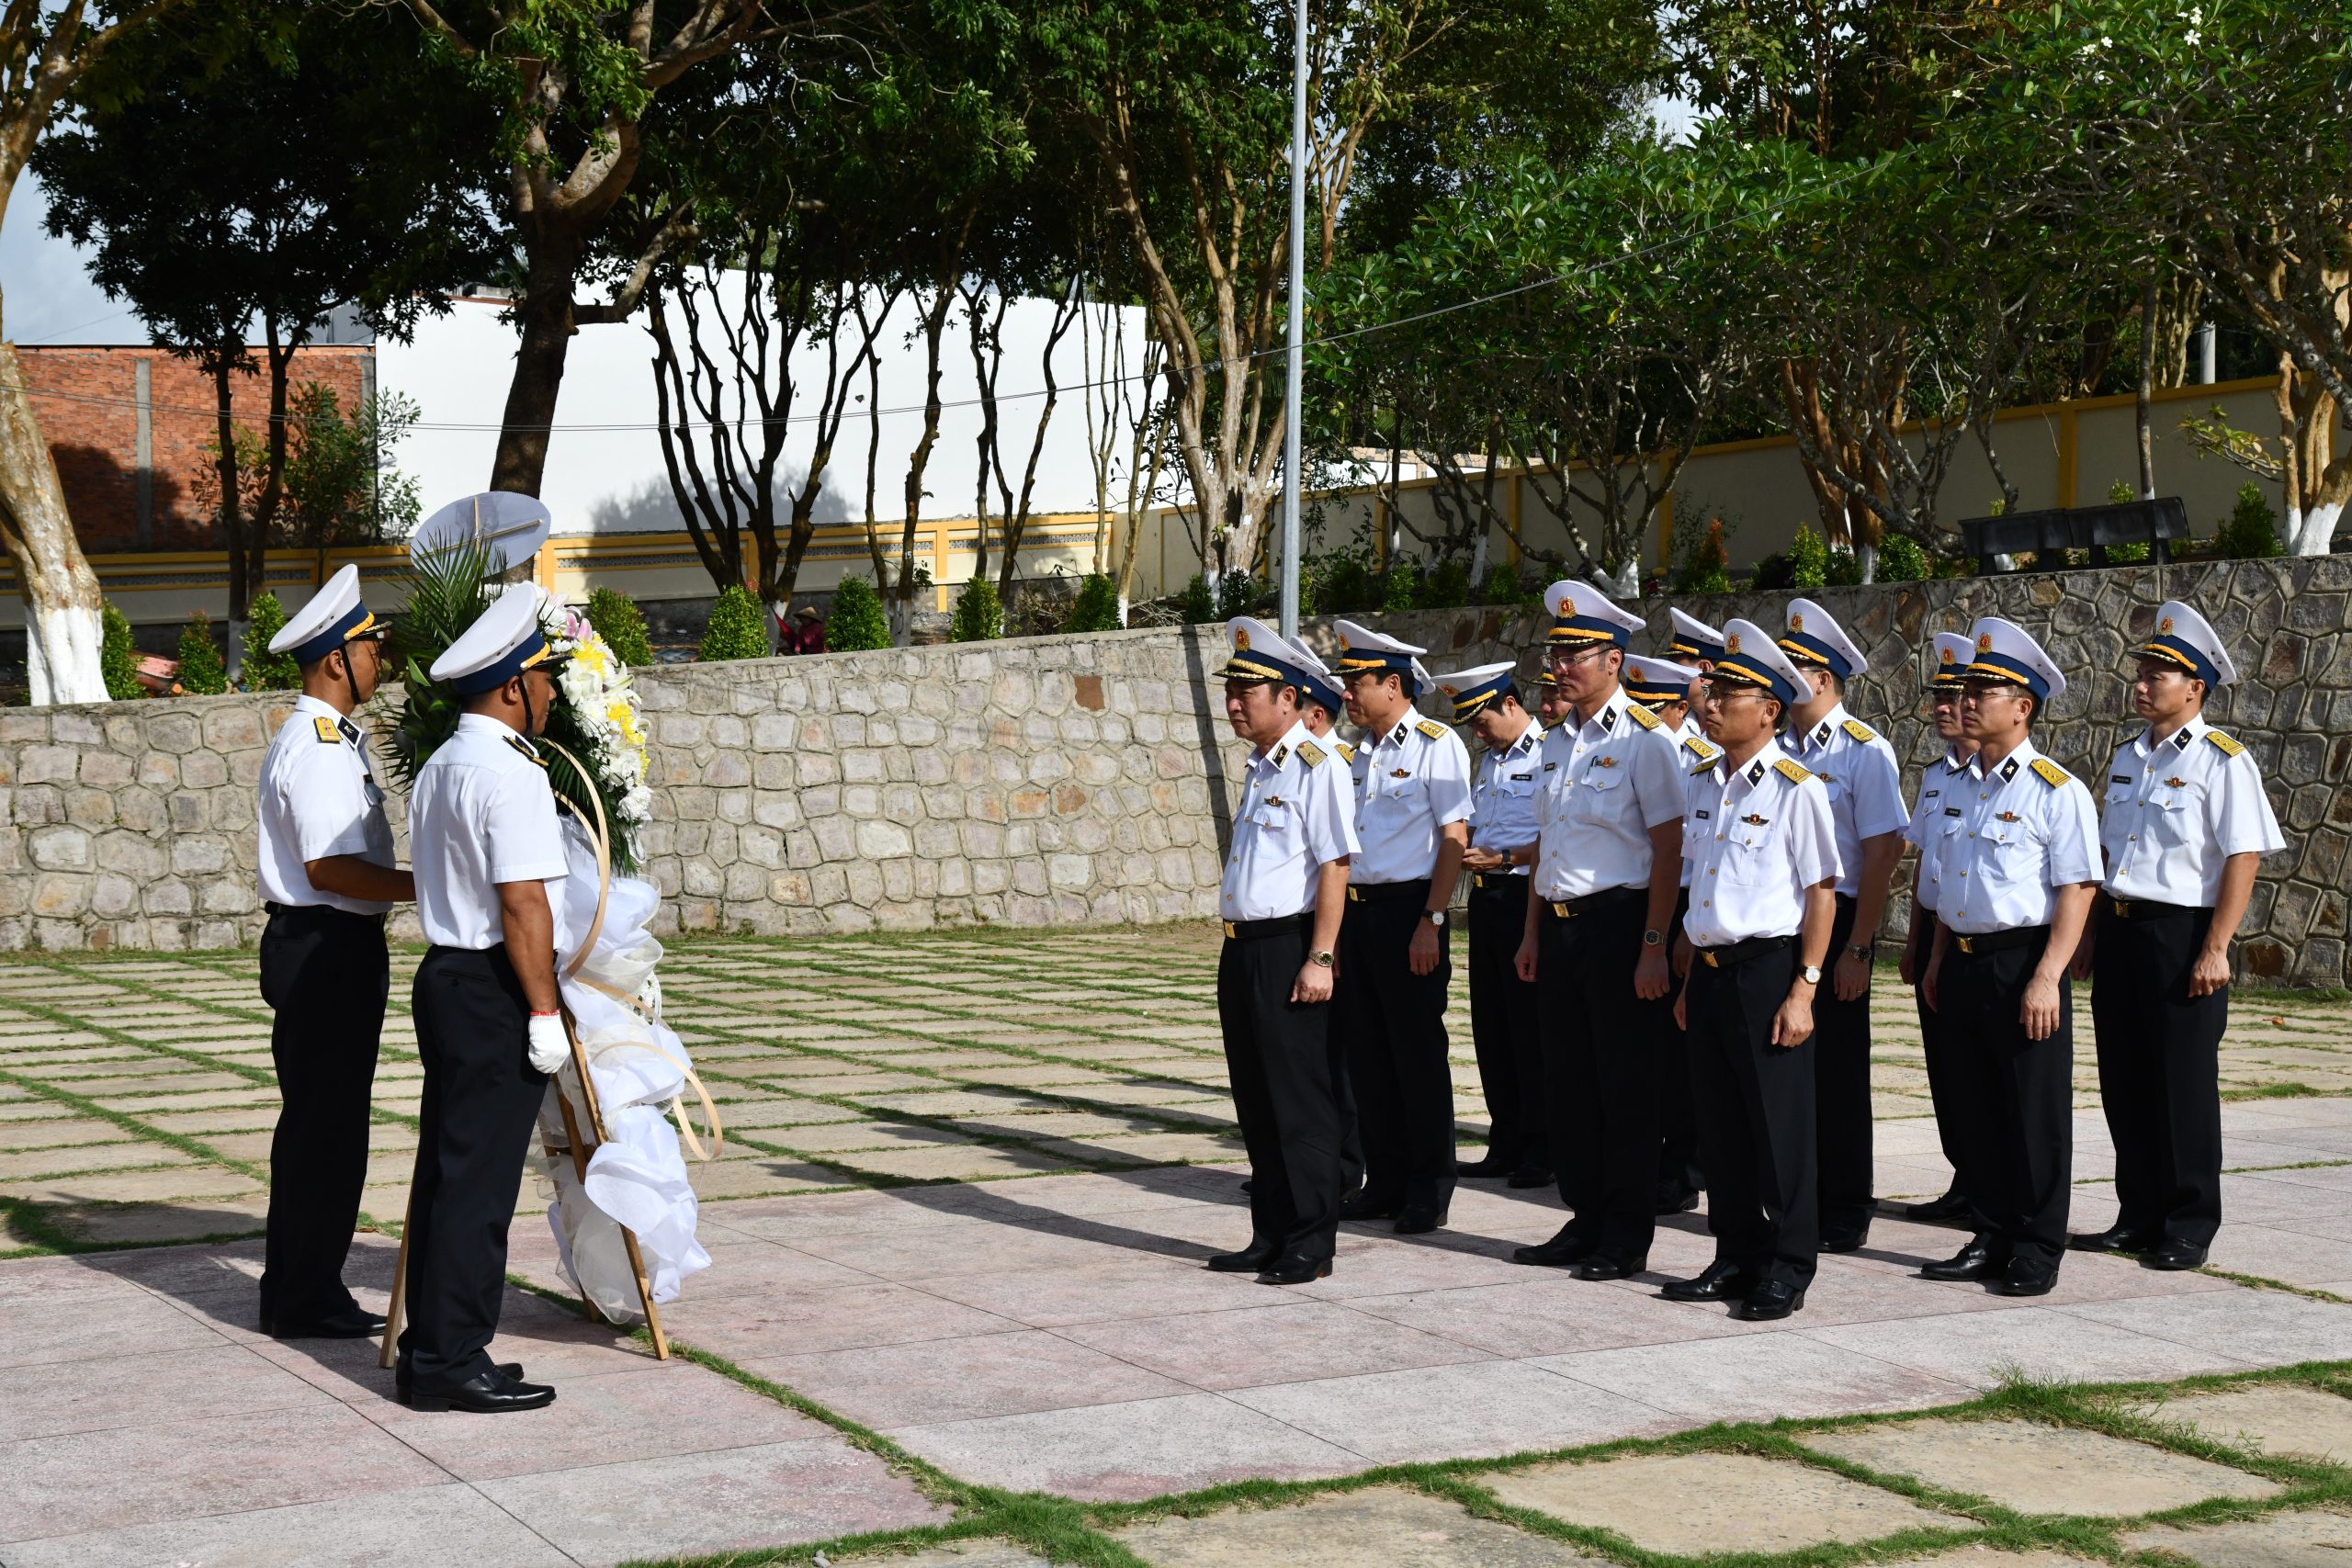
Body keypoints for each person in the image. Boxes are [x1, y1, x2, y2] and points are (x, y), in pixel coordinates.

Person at [399, 586, 573, 1413]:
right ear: (512, 685)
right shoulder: (510, 770)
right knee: (480, 1184)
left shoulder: (442, 764)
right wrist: (544, 1011)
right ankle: (449, 1359)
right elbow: (523, 904)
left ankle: (431, 1348)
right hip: (494, 983)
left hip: (445, 975)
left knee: (447, 1171)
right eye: (543, 677)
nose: (551, 692)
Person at [2071, 600, 2284, 1270]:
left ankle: (2190, 1222)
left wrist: (2216, 946)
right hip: (2123, 931)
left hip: (2181, 933)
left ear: (2194, 687)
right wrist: (2089, 936)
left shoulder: (2224, 761)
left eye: (2156, 675)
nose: (2141, 684)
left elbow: (2243, 855)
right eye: (2141, 672)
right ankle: (2138, 1213)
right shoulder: (2128, 757)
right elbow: (2110, 856)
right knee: (2125, 1078)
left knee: (2183, 1085)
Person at [1918, 616, 2100, 1297]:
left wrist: (2048, 976)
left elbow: (2078, 887)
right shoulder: (1957, 785)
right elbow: (1946, 882)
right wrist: (1938, 958)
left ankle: (2037, 1243)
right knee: (1976, 1106)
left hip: (2023, 960)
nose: (1966, 701)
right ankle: (1990, 1232)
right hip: (1963, 958)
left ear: (2023, 707)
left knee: (2033, 1111)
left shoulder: (2056, 789)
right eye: (1965, 690)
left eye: (1983, 691)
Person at [1663, 620, 1840, 1320]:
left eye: (1727, 695)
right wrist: (1688, 980)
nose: (1710, 704)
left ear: (1769, 710)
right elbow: (1700, 885)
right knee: (1721, 1125)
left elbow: (1821, 892)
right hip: (1709, 971)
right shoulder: (1704, 781)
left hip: (1768, 969)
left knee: (1779, 1128)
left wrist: (1806, 987)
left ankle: (1789, 1264)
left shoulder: (1797, 788)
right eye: (1711, 692)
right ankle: (1735, 1253)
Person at [254, 565, 413, 1340]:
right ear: (335, 660)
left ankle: (296, 1286)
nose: (380, 656)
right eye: (369, 644)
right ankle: (306, 1294)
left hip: (329, 944)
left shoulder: (331, 739)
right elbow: (329, 867)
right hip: (326, 947)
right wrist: (429, 885)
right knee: (327, 1130)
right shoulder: (318, 747)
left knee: (320, 1124)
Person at [1513, 581, 1684, 1279]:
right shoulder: (1556, 742)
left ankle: (1625, 1233)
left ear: (1614, 660)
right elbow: (1545, 844)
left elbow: (1670, 850)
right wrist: (1532, 934)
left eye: (1574, 654)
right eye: (1555, 654)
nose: (1560, 667)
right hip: (1560, 928)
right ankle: (1584, 1216)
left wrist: (1654, 946)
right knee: (1568, 1083)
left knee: (1626, 1087)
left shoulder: (1647, 741)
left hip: (1620, 926)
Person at [1207, 617, 1359, 1284]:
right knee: (1257, 1099)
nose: (1235, 703)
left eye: (1248, 691)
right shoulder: (1261, 767)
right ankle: (1269, 1232)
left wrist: (1321, 957)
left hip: (1288, 947)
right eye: (1231, 691)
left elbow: (1335, 864)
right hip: (1242, 949)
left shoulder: (1317, 766)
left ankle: (1310, 1240)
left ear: (1289, 698)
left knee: (1300, 1101)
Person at [1330, 620, 1473, 1235]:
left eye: (1356, 682)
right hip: (1358, 913)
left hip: (1410, 910)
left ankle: (1428, 1186)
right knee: (1368, 1056)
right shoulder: (1355, 752)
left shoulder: (1436, 744)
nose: (1347, 694)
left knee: (1417, 1057)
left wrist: (1432, 920)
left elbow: (1454, 838)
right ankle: (1384, 1181)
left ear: (1393, 683)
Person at [1777, 598, 1907, 1252]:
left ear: (1822, 678)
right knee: (1787, 1065)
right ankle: (1796, 1195)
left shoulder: (1864, 751)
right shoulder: (1777, 748)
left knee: (1838, 1070)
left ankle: (1847, 1203)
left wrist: (1860, 946)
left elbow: (1884, 853)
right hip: (1784, 918)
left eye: (1791, 669)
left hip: (1843, 917)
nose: (1778, 679)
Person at [1431, 662, 1550, 1189]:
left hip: (1525, 894)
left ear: (1510, 703)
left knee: (1529, 1028)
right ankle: (1505, 1141)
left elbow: (1554, 835)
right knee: (1492, 1025)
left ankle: (1542, 1148)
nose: (1478, 732)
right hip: (1485, 898)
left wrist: (1505, 858)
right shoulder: (1491, 762)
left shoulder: (1548, 753)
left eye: (1482, 720)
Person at [1627, 652, 1717, 1215]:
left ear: (1677, 708)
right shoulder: (1631, 747)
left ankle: (1683, 1168)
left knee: (1682, 1048)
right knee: (1643, 1046)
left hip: (1686, 903)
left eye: (1652, 707)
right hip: (1639, 901)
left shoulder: (1703, 761)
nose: (1641, 716)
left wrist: (1680, 929)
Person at [1897, 633, 1982, 1225]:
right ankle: (1964, 1175)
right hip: (1936, 933)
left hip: (1976, 930)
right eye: (1938, 696)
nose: (1944, 707)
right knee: (1945, 1066)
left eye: (1955, 696)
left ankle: (1989, 1184)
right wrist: (1913, 943)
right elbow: (1925, 864)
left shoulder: (1996, 778)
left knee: (1980, 1067)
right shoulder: (1935, 776)